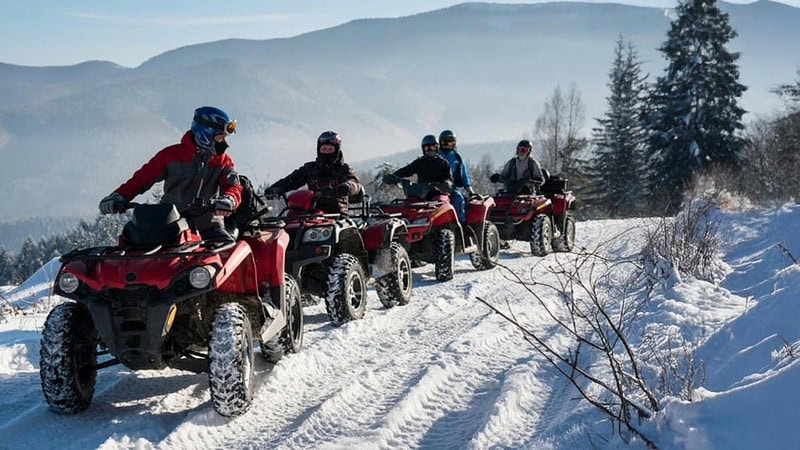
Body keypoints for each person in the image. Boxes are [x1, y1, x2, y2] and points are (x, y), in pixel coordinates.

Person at [98, 106, 243, 237]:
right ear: (204, 134)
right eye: (220, 137)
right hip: (169, 221)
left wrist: (229, 199)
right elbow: (141, 179)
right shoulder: (170, 155)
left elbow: (233, 186)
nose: (224, 143)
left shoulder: (223, 161)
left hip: (207, 222)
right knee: (135, 244)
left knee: (224, 251)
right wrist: (118, 197)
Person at [264, 131, 361, 215]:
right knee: (291, 227)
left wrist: (346, 187)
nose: (326, 152)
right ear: (319, 150)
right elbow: (292, 180)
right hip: (311, 215)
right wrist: (277, 188)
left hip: (338, 215)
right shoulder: (311, 168)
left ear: (337, 151)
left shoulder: (344, 168)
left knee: (342, 234)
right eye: (324, 149)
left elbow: (355, 183)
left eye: (330, 149)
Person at [382, 134, 453, 199]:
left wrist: (445, 184)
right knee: (409, 203)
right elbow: (407, 170)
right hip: (421, 194)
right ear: (423, 149)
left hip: (438, 194)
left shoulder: (443, 163)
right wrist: (394, 176)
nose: (430, 150)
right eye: (427, 148)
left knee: (441, 204)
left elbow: (449, 178)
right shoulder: (420, 162)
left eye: (432, 147)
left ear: (437, 148)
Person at [437, 130, 475, 223]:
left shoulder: (457, 158)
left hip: (452, 188)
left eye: (450, 143)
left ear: (454, 144)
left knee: (458, 198)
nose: (447, 146)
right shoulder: (436, 156)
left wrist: (469, 188)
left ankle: (459, 223)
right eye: (445, 143)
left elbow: (464, 174)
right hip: (436, 187)